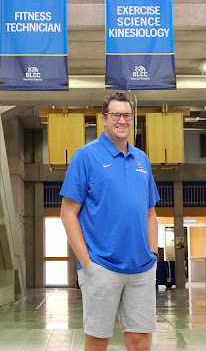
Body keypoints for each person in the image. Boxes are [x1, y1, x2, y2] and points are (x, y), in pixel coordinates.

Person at [60, 92, 159, 351]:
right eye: (116, 115)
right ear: (104, 119)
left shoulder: (142, 160)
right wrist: (87, 262)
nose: (122, 120)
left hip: (142, 267)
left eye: (127, 115)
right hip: (101, 266)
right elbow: (67, 213)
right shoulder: (85, 157)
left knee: (141, 343)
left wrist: (153, 252)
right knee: (97, 342)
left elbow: (151, 212)